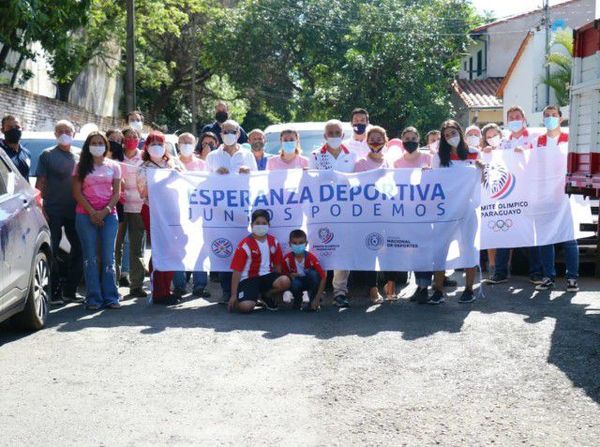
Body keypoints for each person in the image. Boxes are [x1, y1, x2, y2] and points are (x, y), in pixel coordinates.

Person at [486, 105, 543, 285]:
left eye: (517, 116)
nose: (514, 120)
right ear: (507, 121)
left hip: (529, 194)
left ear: (524, 119)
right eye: (511, 118)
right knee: (504, 231)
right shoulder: (503, 143)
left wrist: (527, 153)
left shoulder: (535, 138)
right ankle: (500, 273)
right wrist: (488, 152)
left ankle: (536, 273)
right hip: (508, 195)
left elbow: (542, 158)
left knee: (531, 234)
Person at [205, 119, 257, 303]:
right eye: (225, 131)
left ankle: (243, 290)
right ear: (220, 134)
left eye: (232, 131)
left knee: (241, 247)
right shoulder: (212, 157)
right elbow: (203, 183)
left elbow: (257, 180)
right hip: (220, 212)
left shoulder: (247, 155)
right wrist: (215, 175)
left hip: (241, 210)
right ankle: (227, 291)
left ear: (238, 133)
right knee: (224, 249)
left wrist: (247, 173)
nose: (228, 134)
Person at [430, 120, 480, 304]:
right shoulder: (438, 157)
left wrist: (482, 170)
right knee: (439, 249)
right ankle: (438, 290)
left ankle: (468, 289)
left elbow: (481, 182)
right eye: (447, 135)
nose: (451, 137)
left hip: (467, 209)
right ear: (443, 138)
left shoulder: (474, 154)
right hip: (444, 210)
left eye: (454, 132)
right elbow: (433, 183)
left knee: (468, 247)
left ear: (460, 131)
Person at [310, 119, 357, 307]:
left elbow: (358, 180)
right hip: (321, 212)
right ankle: (318, 291)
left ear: (343, 135)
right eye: (330, 133)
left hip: (345, 212)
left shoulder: (352, 155)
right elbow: (310, 181)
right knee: (320, 250)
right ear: (324, 136)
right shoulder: (315, 156)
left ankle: (340, 292)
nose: (334, 136)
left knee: (342, 251)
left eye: (337, 133)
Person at [72, 132, 122, 310]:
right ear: (88, 146)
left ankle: (111, 296)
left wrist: (105, 212)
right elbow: (77, 193)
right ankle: (93, 298)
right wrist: (93, 213)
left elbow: (116, 193)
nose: (97, 145)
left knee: (109, 257)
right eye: (94, 143)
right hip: (85, 215)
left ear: (106, 146)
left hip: (109, 215)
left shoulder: (114, 166)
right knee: (90, 258)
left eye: (100, 143)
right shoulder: (80, 166)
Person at [35, 120, 83, 305]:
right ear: (55, 134)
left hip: (76, 210)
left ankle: (70, 290)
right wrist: (41, 208)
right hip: (53, 210)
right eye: (60, 131)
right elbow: (41, 183)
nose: (64, 134)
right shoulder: (47, 155)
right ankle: (53, 292)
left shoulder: (80, 155)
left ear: (74, 133)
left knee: (79, 249)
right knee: (52, 250)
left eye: (67, 131)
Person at [354, 126, 403, 303]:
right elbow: (356, 189)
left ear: (385, 141)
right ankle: (373, 290)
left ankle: (390, 286)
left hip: (388, 214)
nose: (376, 142)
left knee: (390, 251)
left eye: (379, 138)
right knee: (371, 251)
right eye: (372, 138)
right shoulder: (360, 164)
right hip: (368, 215)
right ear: (366, 142)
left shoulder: (390, 163)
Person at [534, 105, 579, 293]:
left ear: (561, 118)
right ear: (543, 119)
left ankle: (572, 278)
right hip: (545, 196)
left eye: (553, 115)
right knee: (546, 238)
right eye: (547, 116)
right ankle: (548, 277)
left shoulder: (570, 139)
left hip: (566, 195)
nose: (550, 118)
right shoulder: (539, 141)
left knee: (569, 238)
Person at [137, 131, 179, 305]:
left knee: (171, 249)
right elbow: (143, 192)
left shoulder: (172, 163)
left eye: (160, 143)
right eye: (153, 143)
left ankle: (166, 288)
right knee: (159, 249)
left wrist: (176, 173)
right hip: (152, 210)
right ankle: (158, 291)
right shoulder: (143, 167)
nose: (157, 147)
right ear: (146, 146)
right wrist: (164, 180)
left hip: (171, 210)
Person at [228, 209, 291, 313]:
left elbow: (277, 265)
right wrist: (234, 295)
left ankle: (266, 295)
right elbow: (237, 271)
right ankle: (250, 296)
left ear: (268, 225)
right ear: (251, 225)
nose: (260, 226)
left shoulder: (273, 241)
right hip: (249, 279)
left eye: (264, 223)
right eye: (257, 223)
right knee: (245, 307)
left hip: (267, 276)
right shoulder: (245, 244)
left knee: (285, 281)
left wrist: (278, 293)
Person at [173, 132, 210, 298]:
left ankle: (200, 285)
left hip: (198, 213)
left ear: (195, 144)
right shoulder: (172, 164)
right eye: (182, 141)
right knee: (178, 249)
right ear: (177, 145)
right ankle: (179, 285)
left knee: (199, 249)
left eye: (189, 141)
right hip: (177, 212)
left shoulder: (202, 165)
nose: (185, 144)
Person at [106, 128, 130, 286]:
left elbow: (124, 183)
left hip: (118, 204)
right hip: (99, 204)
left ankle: (117, 278)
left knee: (117, 243)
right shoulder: (96, 159)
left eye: (118, 140)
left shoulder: (122, 161)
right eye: (111, 139)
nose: (115, 143)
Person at [281, 229, 326, 311]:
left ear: (306, 244)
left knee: (314, 274)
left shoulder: (311, 257)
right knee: (293, 282)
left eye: (301, 243)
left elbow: (323, 277)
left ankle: (313, 300)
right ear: (289, 244)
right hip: (296, 283)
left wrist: (317, 298)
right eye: (294, 243)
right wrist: (289, 275)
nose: (298, 245)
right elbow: (282, 274)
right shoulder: (286, 259)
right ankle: (298, 300)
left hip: (309, 282)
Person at [0, 115, 31, 181]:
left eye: (17, 127)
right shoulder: (1, 151)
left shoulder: (26, 153)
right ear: (2, 130)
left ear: (22, 129)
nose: (14, 130)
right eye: (10, 127)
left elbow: (26, 178)